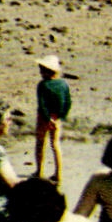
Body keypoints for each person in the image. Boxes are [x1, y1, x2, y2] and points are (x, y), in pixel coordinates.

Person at [35, 55, 72, 185]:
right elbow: (67, 102)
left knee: (40, 143)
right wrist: (60, 116)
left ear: (46, 71)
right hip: (57, 117)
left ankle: (39, 171)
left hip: (43, 118)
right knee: (55, 144)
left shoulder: (43, 85)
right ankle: (58, 173)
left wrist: (47, 118)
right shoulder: (63, 84)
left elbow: (42, 104)